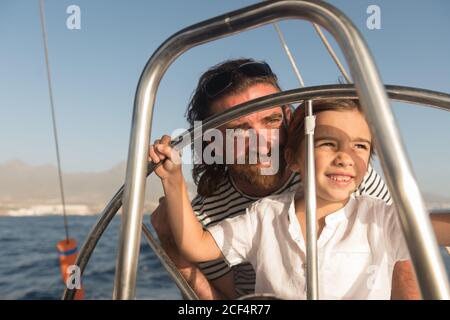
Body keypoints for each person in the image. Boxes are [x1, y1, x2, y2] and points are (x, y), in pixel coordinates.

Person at [149, 58, 414, 299]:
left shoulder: (343, 174)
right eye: (240, 129)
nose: (262, 143)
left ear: (288, 117)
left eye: (271, 120)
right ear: (213, 141)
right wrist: (175, 252)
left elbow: (402, 263)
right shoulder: (203, 217)